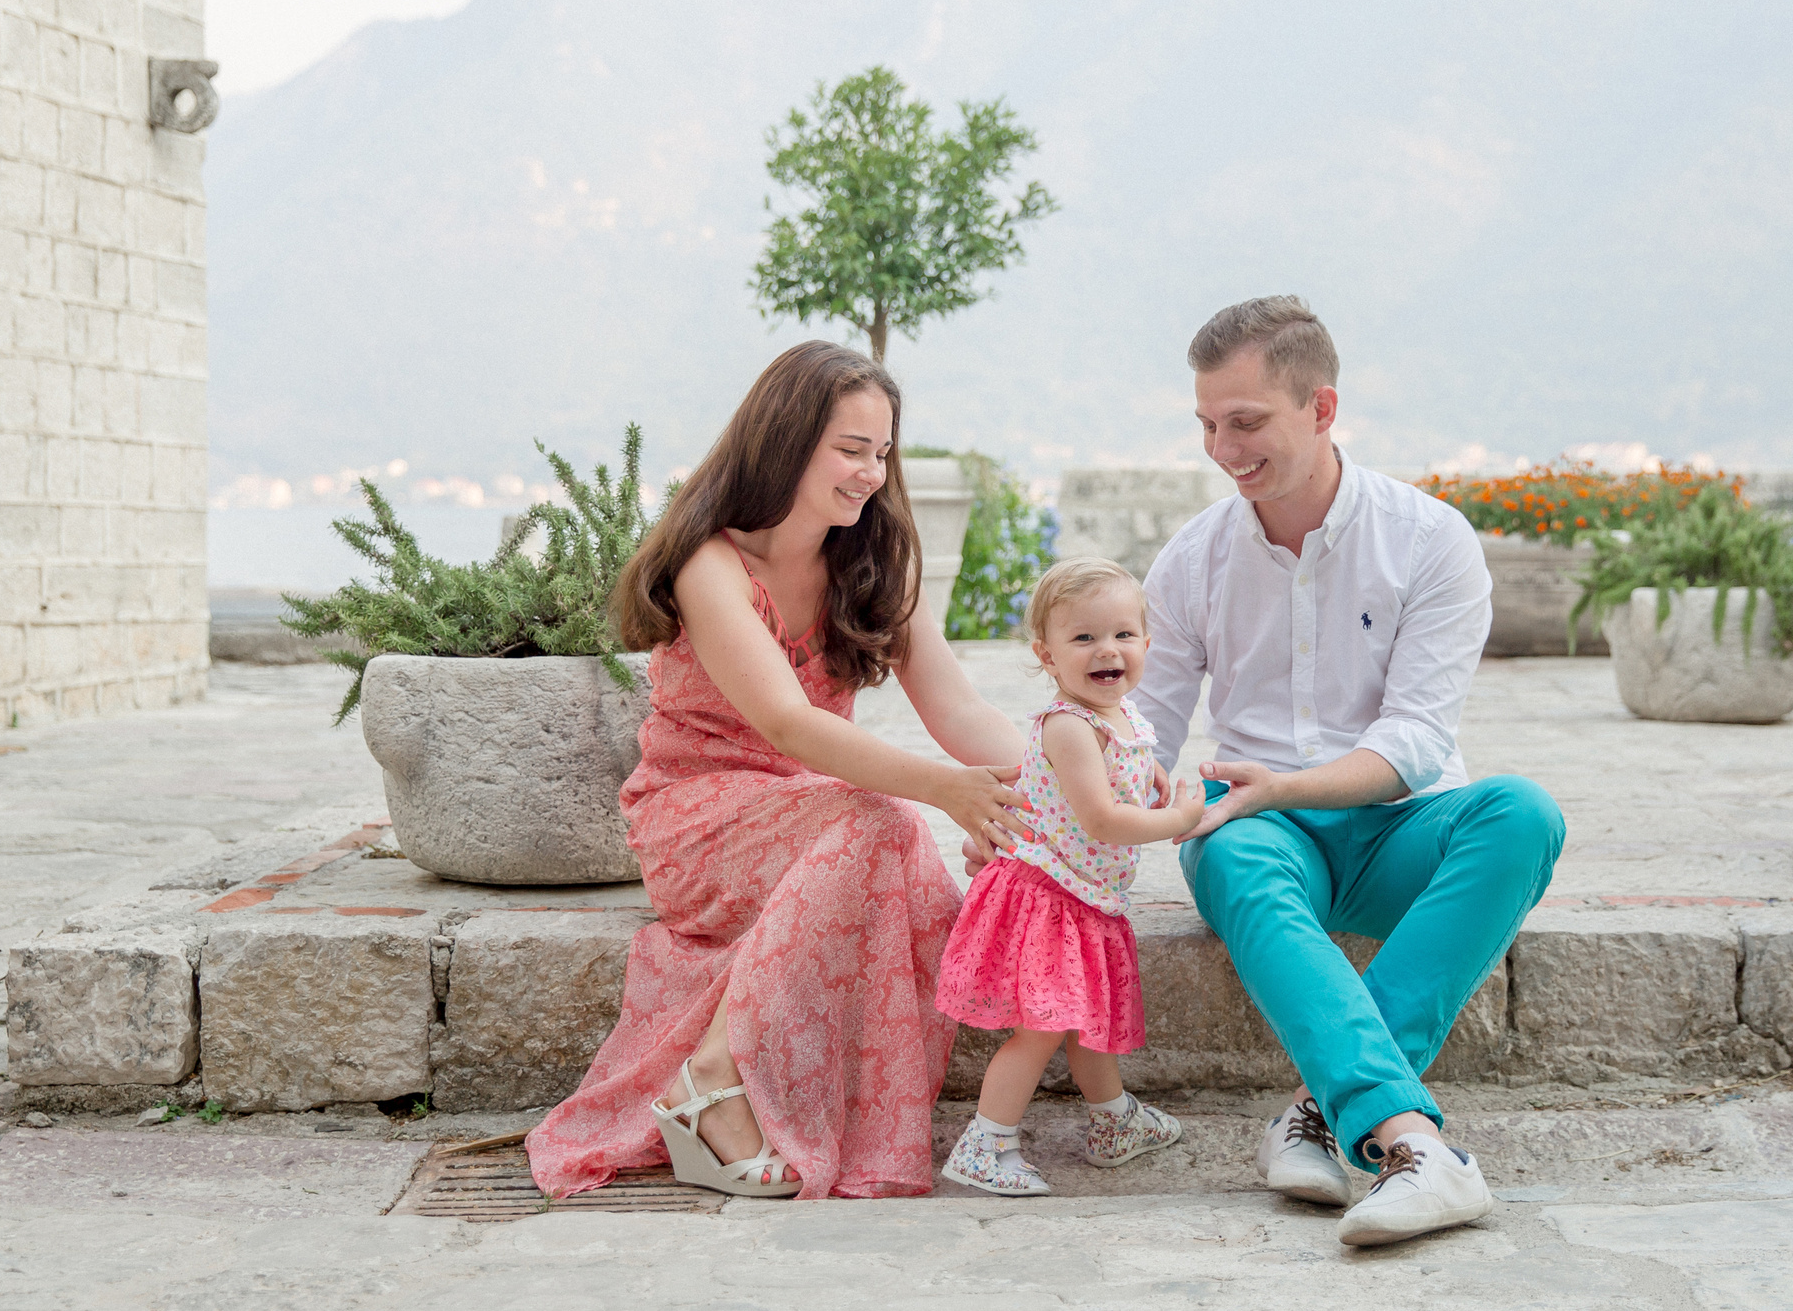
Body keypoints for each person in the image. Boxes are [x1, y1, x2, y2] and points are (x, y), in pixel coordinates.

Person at [526, 341, 1035, 1202]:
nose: (871, 472)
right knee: (884, 821)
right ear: (787, 439)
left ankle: (747, 1081)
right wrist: (945, 790)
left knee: (907, 862)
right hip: (698, 818)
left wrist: (1055, 788)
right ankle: (710, 1083)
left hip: (814, 812)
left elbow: (958, 710)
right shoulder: (711, 563)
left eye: (881, 451)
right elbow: (786, 723)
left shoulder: (869, 562)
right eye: (850, 448)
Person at [1140, 295, 1564, 1247]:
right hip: (1261, 833)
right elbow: (1144, 732)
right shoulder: (1191, 559)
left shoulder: (1430, 540)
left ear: (1322, 410)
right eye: (1208, 423)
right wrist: (1042, 817)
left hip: (1399, 823)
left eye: (1246, 422)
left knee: (1524, 815)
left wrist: (1282, 784)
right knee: (1232, 848)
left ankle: (1320, 1111)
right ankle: (1416, 1146)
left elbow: (1415, 743)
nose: (1223, 447)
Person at [934, 558, 1207, 1194]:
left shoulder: (1123, 716)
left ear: (1146, 642)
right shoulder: (1069, 725)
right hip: (1049, 897)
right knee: (1042, 1029)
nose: (1106, 650)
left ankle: (1114, 1121)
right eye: (1083, 638)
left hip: (1085, 897)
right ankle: (985, 1142)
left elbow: (1129, 767)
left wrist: (1155, 778)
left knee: (1085, 1020)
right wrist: (1178, 818)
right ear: (1047, 655)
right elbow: (1103, 818)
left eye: (1122, 634)